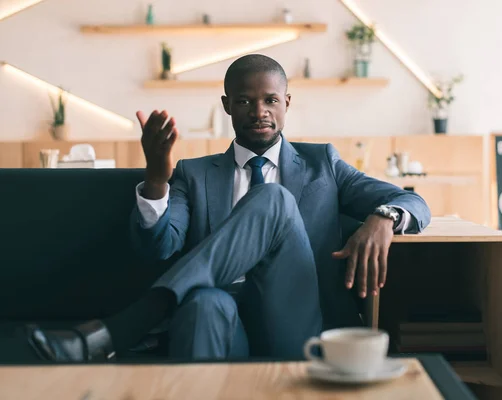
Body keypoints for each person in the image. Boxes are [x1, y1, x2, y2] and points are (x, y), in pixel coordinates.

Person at [24, 54, 431, 362]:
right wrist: (155, 177)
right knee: (202, 304)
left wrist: (384, 217)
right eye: (245, 101)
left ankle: (129, 325)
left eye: (271, 99)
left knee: (272, 198)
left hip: (297, 324)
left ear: (287, 102)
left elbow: (412, 201)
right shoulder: (193, 173)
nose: (259, 112)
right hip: (220, 317)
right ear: (226, 106)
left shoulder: (322, 163)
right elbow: (158, 247)